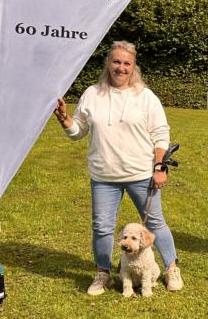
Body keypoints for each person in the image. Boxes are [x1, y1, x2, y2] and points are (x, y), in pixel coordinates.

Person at [53, 41, 183, 295]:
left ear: (134, 67)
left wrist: (160, 166)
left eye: (126, 63)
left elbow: (160, 133)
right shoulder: (92, 94)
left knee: (155, 224)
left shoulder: (145, 96)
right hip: (103, 176)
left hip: (140, 174)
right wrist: (65, 120)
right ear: (108, 63)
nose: (121, 68)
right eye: (116, 62)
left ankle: (171, 269)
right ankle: (103, 274)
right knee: (102, 227)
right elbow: (78, 131)